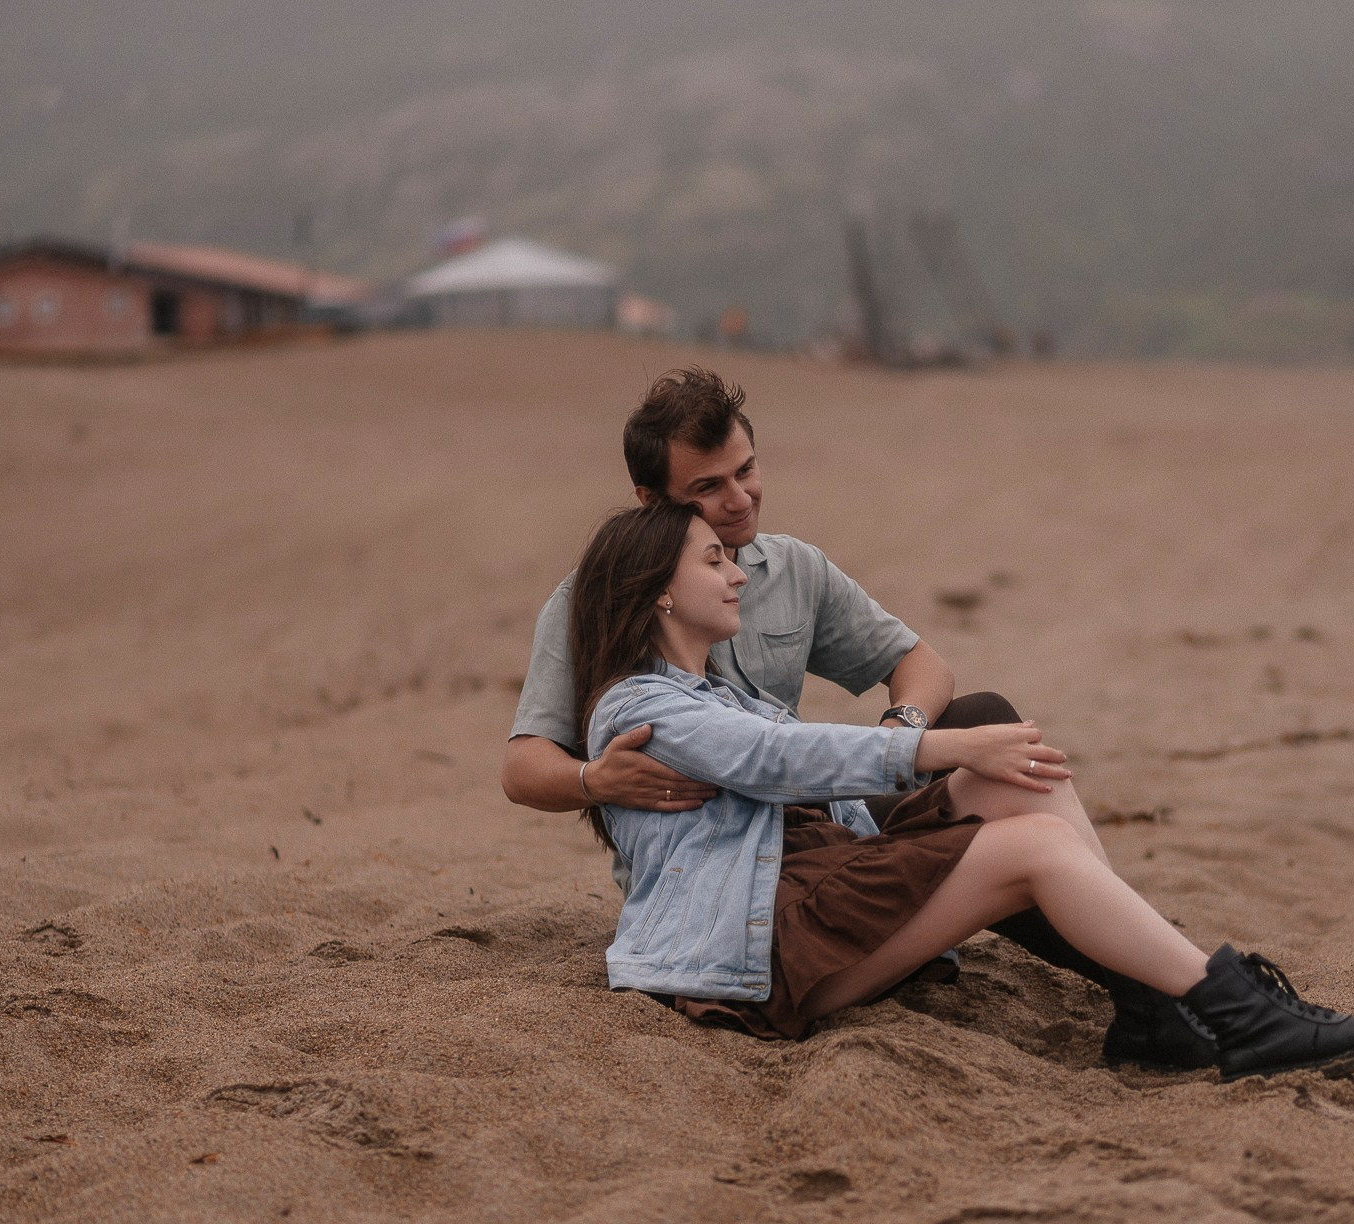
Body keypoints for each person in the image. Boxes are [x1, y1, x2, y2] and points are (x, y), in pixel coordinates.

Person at [502, 367, 1217, 1069]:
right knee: (994, 798)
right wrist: (597, 779)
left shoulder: (792, 569)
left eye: (746, 469)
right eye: (707, 487)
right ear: (649, 500)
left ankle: (1148, 989)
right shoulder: (598, 596)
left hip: (814, 815)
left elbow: (924, 665)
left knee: (986, 722)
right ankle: (1166, 984)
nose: (740, 497)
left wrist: (901, 733)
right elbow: (523, 766)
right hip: (718, 868)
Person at [568, 500, 1354, 1082]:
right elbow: (773, 757)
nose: (738, 574)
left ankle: (1157, 1003)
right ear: (660, 591)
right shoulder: (638, 704)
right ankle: (1237, 1014)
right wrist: (943, 743)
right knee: (1033, 841)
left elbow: (809, 781)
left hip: (807, 900)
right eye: (713, 560)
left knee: (1023, 780)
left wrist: (958, 783)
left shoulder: (717, 690)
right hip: (760, 959)